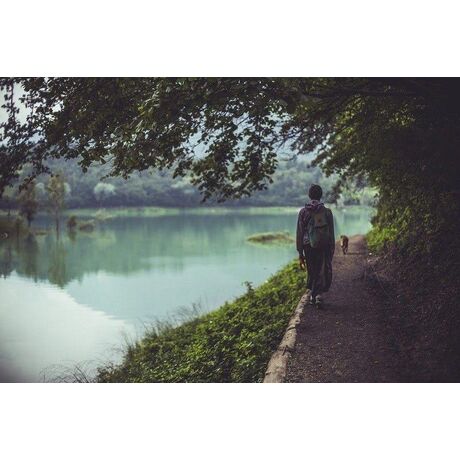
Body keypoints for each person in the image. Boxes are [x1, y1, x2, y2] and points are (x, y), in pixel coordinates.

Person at [296, 184, 335, 307]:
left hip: (308, 245)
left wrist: (300, 252)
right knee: (321, 270)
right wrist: (332, 248)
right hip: (323, 245)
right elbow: (331, 233)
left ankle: (313, 295)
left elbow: (299, 233)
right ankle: (318, 296)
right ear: (320, 195)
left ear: (309, 195)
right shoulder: (327, 212)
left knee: (312, 270)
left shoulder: (303, 212)